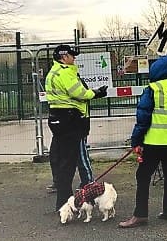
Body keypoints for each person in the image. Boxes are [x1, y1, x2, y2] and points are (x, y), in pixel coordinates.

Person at [119, 56, 167, 229]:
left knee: (143, 176)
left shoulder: (152, 89)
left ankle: (140, 215)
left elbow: (143, 118)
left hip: (154, 141)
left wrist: (136, 140)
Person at [45, 44, 107, 211]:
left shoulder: (54, 72)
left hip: (58, 119)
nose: (74, 58)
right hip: (70, 121)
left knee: (60, 159)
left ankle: (63, 201)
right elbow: (79, 93)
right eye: (72, 55)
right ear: (63, 57)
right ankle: (67, 203)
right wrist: (96, 93)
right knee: (69, 163)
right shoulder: (65, 72)